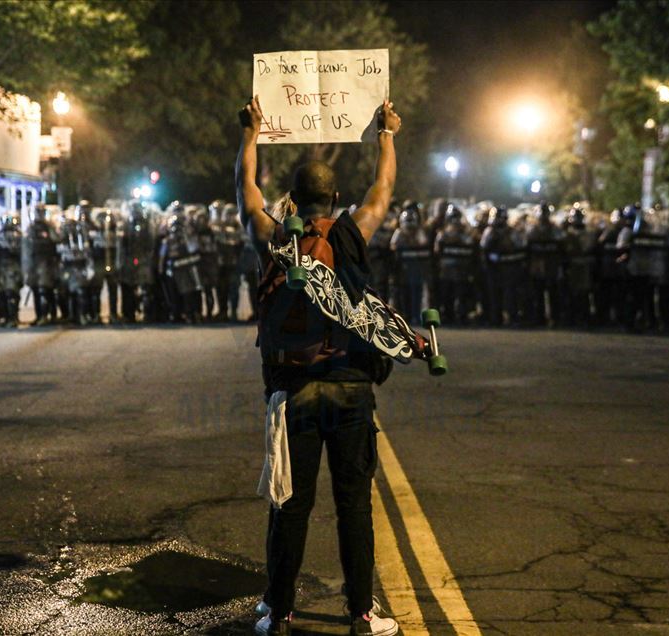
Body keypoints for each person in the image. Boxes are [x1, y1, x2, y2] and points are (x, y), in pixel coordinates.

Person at [238, 95, 400, 636]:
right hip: (351, 389)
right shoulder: (354, 233)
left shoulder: (275, 237)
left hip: (292, 392)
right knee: (354, 506)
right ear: (333, 198)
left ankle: (277, 612)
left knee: (291, 505)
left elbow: (246, 195)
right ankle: (361, 613)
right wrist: (386, 134)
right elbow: (383, 191)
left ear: (293, 196)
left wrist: (251, 135)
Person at [433, 204, 475, 325]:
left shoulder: (466, 233)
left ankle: (461, 316)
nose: (455, 221)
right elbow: (437, 251)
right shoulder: (442, 234)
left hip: (462, 269)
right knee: (447, 294)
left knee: (461, 294)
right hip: (446, 269)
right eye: (453, 218)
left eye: (457, 218)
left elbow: (470, 248)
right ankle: (448, 315)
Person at [22, 204, 59, 326]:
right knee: (36, 289)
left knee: (46, 289)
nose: (39, 214)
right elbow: (26, 245)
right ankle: (39, 315)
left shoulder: (49, 226)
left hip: (47, 261)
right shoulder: (30, 228)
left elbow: (56, 240)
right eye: (37, 212)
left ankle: (49, 315)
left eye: (41, 212)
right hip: (34, 261)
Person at [0, 212, 24, 327]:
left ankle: (13, 317)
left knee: (12, 292)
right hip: (1, 267)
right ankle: (4, 315)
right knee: (1, 293)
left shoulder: (20, 237)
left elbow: (23, 255)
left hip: (13, 267)